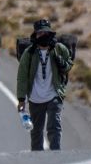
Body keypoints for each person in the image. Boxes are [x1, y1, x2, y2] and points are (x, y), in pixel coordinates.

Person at [16, 18, 72, 151]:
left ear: (50, 34)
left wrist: (63, 64)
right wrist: (21, 99)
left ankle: (55, 156)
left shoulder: (59, 49)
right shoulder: (29, 53)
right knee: (36, 132)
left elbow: (68, 65)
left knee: (54, 127)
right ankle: (38, 161)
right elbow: (22, 77)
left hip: (54, 95)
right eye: (40, 33)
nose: (43, 36)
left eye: (45, 33)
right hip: (35, 98)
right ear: (35, 35)